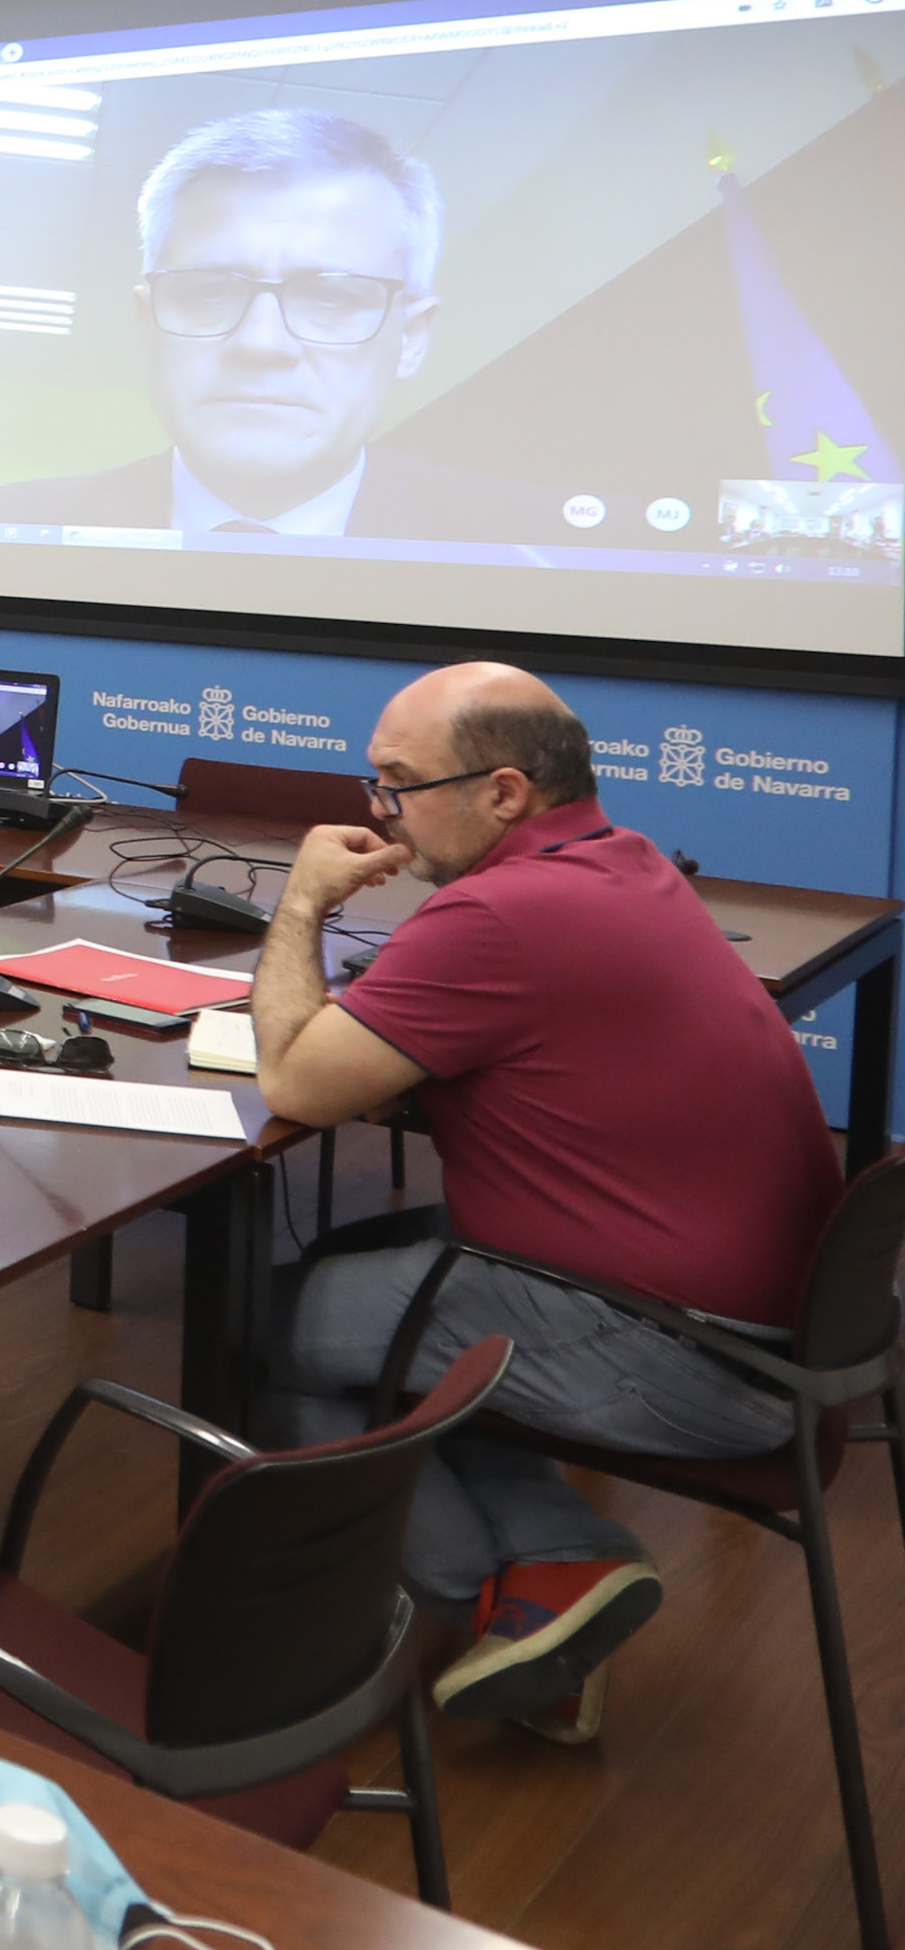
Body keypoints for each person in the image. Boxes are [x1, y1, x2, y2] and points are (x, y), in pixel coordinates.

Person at [248, 661, 840, 1743]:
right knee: (393, 1272)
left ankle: (491, 1599)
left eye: (395, 784)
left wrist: (299, 903)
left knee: (262, 1323)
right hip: (760, 1333)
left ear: (504, 792)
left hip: (681, 1355)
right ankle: (559, 1568)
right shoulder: (619, 861)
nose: (377, 812)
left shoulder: (498, 914)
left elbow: (290, 1078)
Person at [0, 109, 561, 542]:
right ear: (148, 321)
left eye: (332, 298)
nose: (261, 344)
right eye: (206, 291)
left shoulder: (535, 547)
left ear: (412, 339)